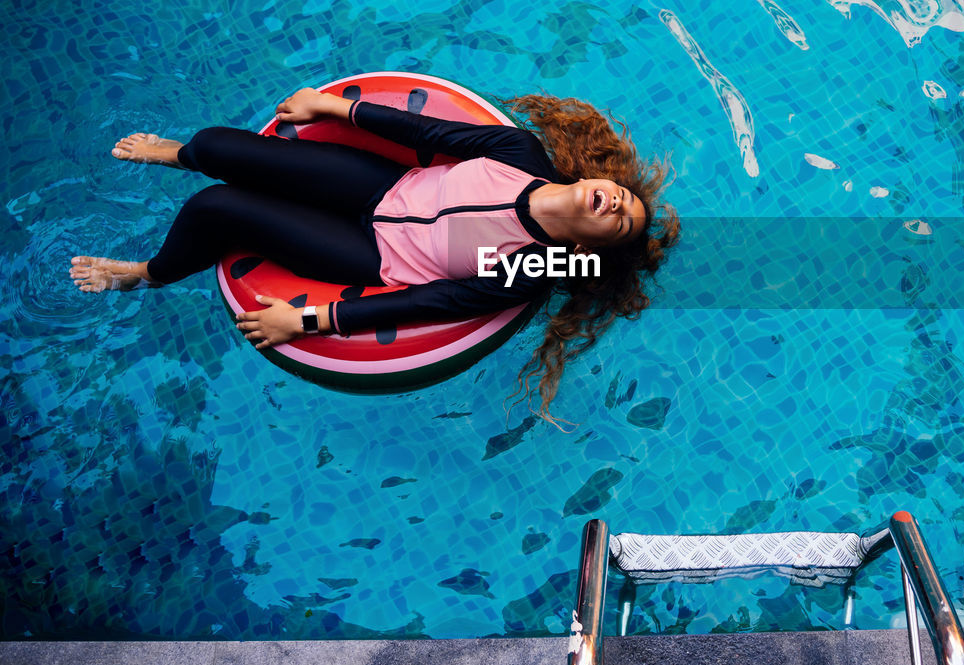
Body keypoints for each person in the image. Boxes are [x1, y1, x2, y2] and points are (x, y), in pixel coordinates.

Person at [70, 86, 680, 421]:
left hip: (374, 253)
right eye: (624, 198)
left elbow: (433, 301)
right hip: (382, 185)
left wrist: (306, 319)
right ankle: (178, 154)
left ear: (586, 244)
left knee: (215, 209)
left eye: (622, 222)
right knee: (218, 148)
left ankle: (143, 275)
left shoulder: (534, 265)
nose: (618, 205)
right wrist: (334, 108)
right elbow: (432, 135)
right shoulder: (520, 153)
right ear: (599, 181)